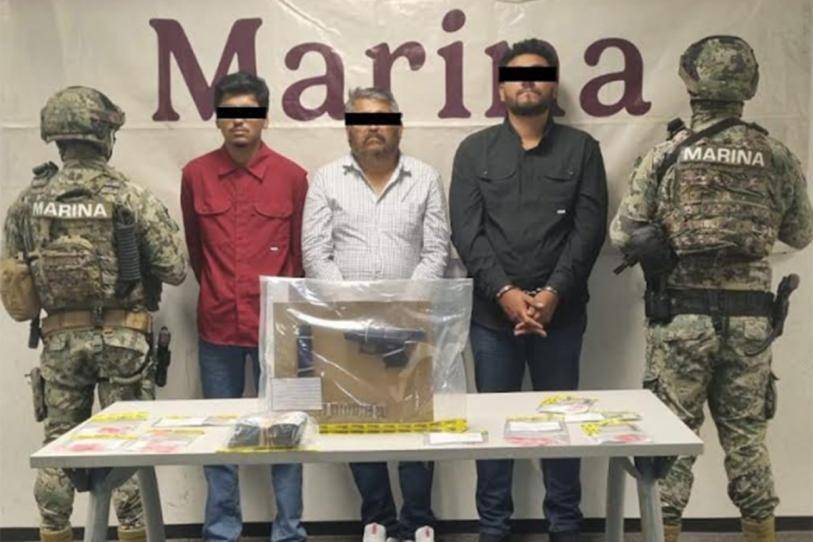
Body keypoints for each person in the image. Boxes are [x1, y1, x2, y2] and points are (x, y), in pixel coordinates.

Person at [610, 35, 813, 542]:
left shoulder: (667, 154)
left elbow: (624, 234)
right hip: (750, 324)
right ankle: (761, 532)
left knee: (672, 441)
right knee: (747, 439)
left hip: (681, 320)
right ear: (750, 84)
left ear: (690, 81)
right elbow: (800, 233)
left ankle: (664, 531)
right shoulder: (776, 155)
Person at [0, 86, 187, 542]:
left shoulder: (29, 202)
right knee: (129, 445)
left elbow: (12, 274)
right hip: (125, 342)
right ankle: (134, 532)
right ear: (104, 135)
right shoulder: (130, 196)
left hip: (61, 344)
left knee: (58, 447)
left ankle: (53, 532)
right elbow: (175, 269)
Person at [449, 39, 608, 542]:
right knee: (493, 427)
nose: (527, 82)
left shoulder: (582, 150)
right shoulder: (474, 151)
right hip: (492, 318)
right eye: (516, 75)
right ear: (501, 88)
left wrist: (553, 293)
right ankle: (493, 526)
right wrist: (505, 293)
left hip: (561, 316)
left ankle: (565, 523)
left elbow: (588, 231)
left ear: (553, 86)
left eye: (538, 74)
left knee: (560, 423)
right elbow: (467, 233)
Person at [302, 87, 449, 541]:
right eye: (362, 120)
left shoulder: (425, 178)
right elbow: (316, 253)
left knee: (414, 426)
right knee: (357, 425)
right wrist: (353, 312)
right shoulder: (326, 180)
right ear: (349, 130)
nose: (373, 128)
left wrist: (403, 310)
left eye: (382, 119)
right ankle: (378, 520)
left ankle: (419, 522)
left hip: (411, 325)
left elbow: (436, 250)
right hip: (347, 327)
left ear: (398, 127)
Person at [180, 72, 308, 542]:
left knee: (286, 432)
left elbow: (299, 255)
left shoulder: (292, 177)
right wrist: (218, 291)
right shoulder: (196, 174)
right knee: (220, 433)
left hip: (277, 329)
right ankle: (221, 531)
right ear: (217, 120)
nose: (239, 121)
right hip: (217, 327)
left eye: (249, 112)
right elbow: (196, 250)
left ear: (265, 119)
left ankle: (289, 531)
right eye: (229, 113)